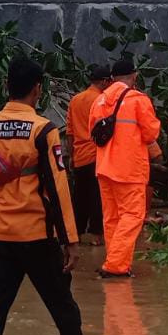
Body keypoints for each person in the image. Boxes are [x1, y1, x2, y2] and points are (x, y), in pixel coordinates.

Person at [0, 56, 109, 335]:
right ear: (38, 89)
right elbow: (58, 186)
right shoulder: (43, 130)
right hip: (35, 237)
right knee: (64, 309)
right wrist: (71, 241)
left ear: (7, 87)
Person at [90, 57, 161, 279]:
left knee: (112, 218)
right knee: (132, 216)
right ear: (135, 76)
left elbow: (93, 135)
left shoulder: (99, 101)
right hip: (129, 169)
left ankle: (117, 262)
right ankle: (115, 266)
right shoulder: (138, 100)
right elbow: (151, 134)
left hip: (104, 168)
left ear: (111, 78)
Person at [67, 64, 112, 245]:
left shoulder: (75, 100)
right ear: (103, 82)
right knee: (97, 198)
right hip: (97, 156)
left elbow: (70, 132)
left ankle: (75, 235)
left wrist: (71, 156)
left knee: (79, 197)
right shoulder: (103, 101)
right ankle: (96, 236)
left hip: (80, 156)